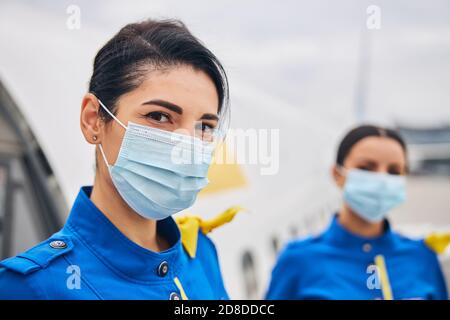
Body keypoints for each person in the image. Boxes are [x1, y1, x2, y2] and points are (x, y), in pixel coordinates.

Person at [0, 19, 237, 300]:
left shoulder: (201, 255)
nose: (186, 147)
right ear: (93, 121)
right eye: (159, 117)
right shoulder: (30, 287)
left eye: (204, 127)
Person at [266, 125, 449, 300]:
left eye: (394, 171)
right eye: (366, 168)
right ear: (337, 175)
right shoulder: (298, 260)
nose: (382, 179)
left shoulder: (423, 257)